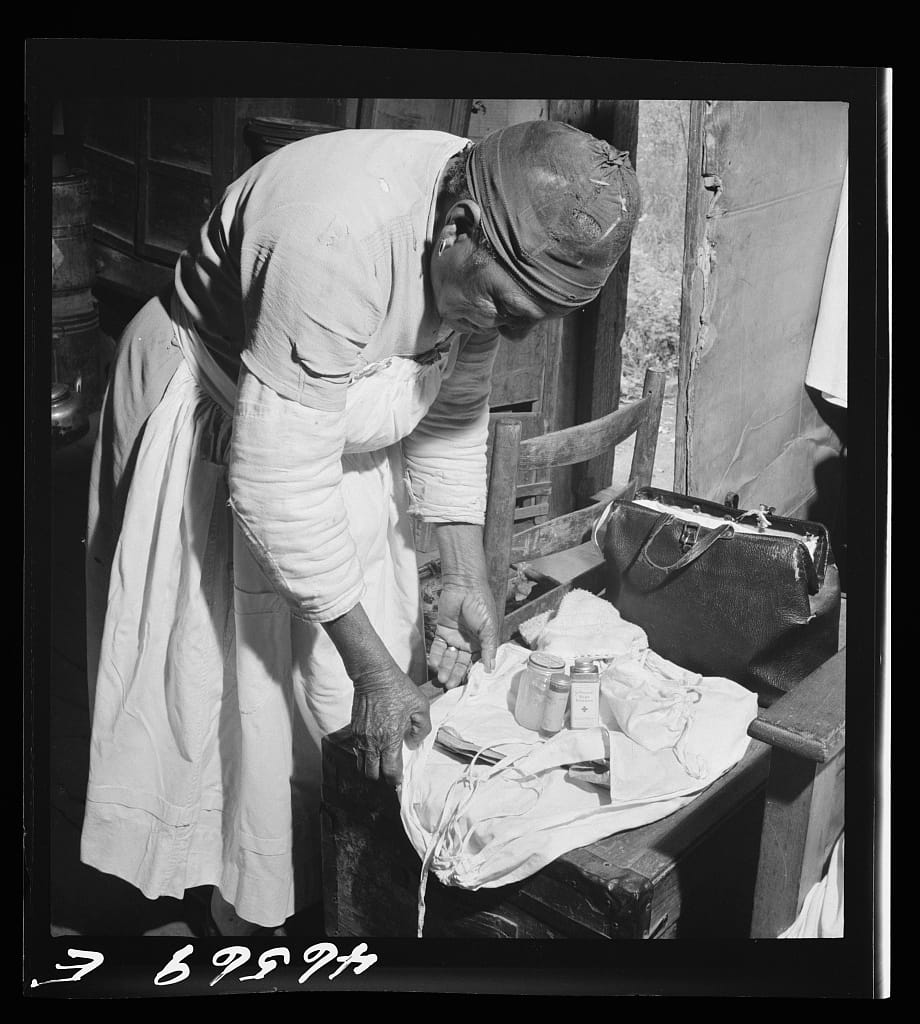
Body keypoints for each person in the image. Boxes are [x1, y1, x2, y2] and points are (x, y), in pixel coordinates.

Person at [80, 119, 640, 934]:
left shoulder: (492, 216)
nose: (510, 332)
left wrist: (464, 576)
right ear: (457, 227)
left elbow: (451, 410)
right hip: (215, 410)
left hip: (328, 433)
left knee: (326, 693)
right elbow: (276, 484)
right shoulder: (334, 236)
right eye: (506, 308)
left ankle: (301, 881)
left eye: (530, 321)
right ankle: (224, 907)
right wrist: (382, 675)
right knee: (219, 686)